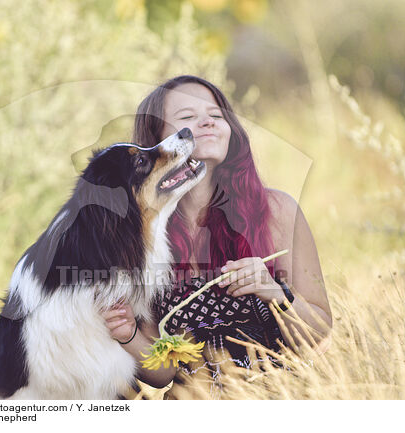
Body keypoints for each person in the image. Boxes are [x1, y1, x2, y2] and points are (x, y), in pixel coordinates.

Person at [101, 75, 332, 395]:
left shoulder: (278, 211)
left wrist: (275, 291)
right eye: (187, 118)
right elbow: (163, 372)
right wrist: (128, 334)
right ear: (157, 143)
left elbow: (318, 330)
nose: (207, 122)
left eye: (216, 114)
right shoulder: (142, 239)